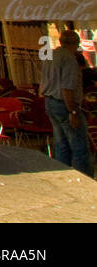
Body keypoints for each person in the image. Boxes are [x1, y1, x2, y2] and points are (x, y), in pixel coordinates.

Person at [40, 29, 93, 176]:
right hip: (64, 104)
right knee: (79, 146)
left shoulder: (51, 56)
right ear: (76, 43)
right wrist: (73, 111)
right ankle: (82, 179)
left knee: (61, 144)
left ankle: (63, 175)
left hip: (50, 102)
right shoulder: (69, 59)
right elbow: (67, 88)